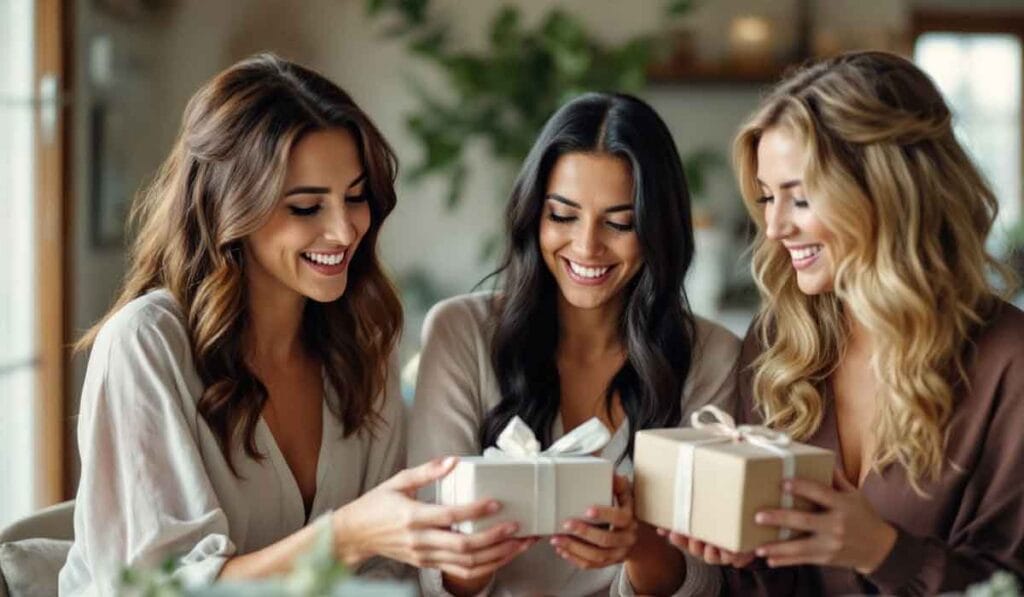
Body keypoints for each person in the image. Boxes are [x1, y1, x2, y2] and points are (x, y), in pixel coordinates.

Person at [60, 54, 528, 595]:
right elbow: (159, 588)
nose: (345, 229)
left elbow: (390, 578)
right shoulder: (146, 343)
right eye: (306, 207)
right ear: (230, 208)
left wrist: (462, 558)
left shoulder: (361, 344)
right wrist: (348, 534)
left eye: (355, 197)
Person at [665, 50, 1024, 595]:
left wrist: (882, 550)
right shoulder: (780, 343)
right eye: (766, 198)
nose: (775, 226)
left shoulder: (1008, 363)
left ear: (888, 191)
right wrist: (739, 555)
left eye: (800, 197)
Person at [410, 92, 740, 596]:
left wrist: (639, 544)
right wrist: (478, 549)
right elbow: (433, 577)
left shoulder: (711, 354)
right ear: (533, 215)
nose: (586, 246)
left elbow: (704, 584)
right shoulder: (460, 333)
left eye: (619, 223)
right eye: (562, 216)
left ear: (657, 228)